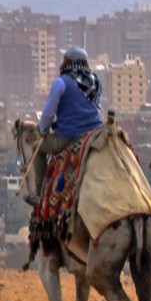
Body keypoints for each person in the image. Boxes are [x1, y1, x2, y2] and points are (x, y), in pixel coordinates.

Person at [28, 46, 103, 203]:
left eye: (64, 60)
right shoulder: (95, 81)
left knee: (37, 147)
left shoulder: (61, 83)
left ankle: (40, 194)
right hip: (95, 134)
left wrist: (43, 130)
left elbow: (48, 113)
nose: (62, 64)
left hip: (69, 136)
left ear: (69, 62)